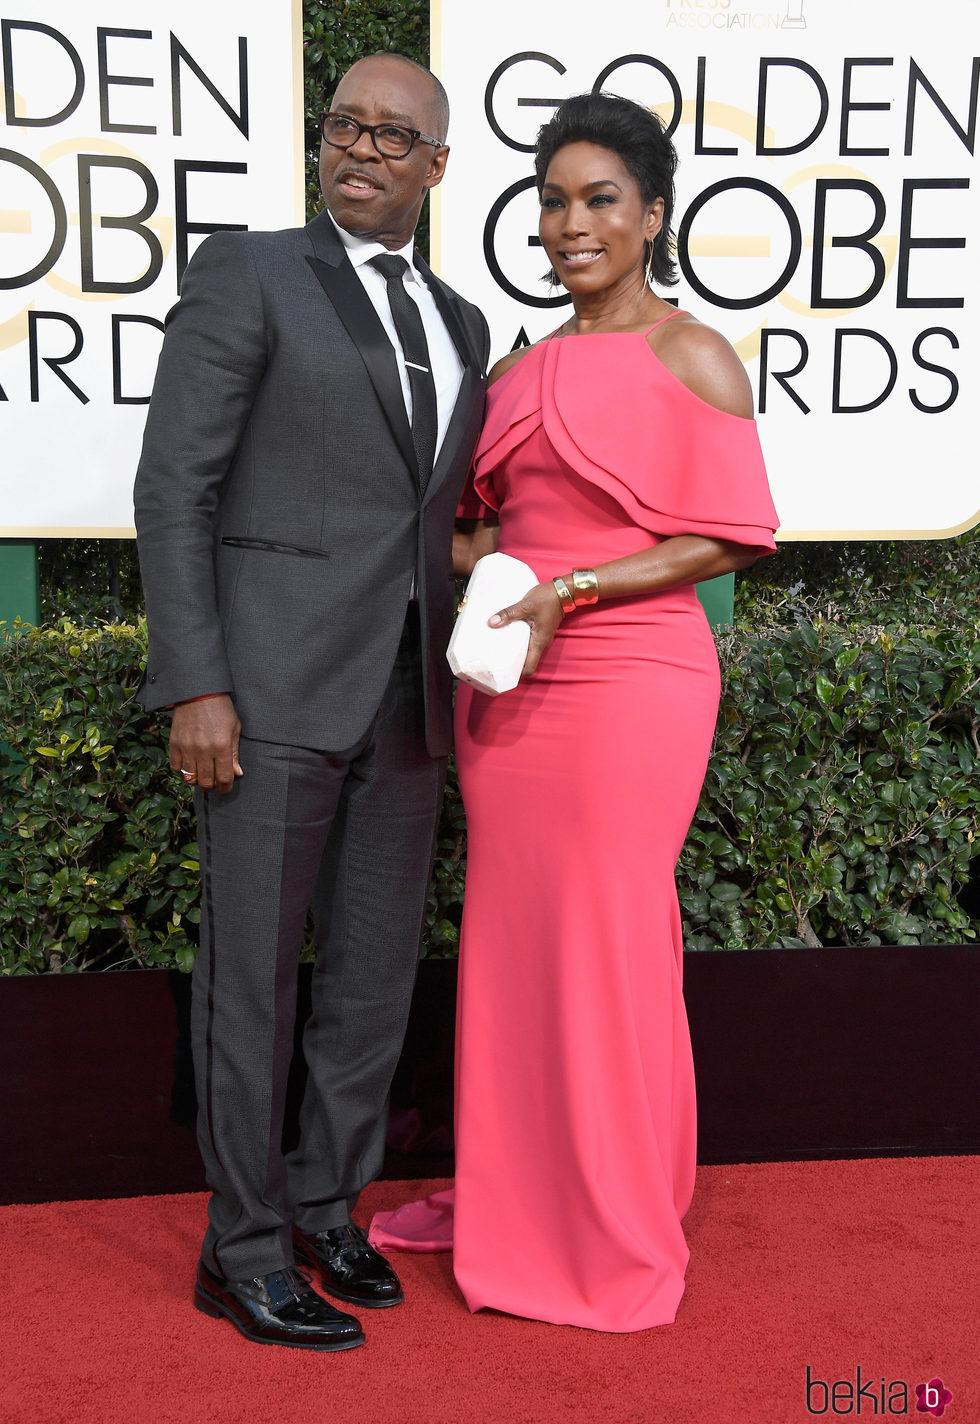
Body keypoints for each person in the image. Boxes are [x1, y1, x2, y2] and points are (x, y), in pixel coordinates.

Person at [372, 92, 778, 1332]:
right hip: (514, 681)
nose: (570, 222)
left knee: (605, 939)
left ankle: (605, 1217)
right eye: (553, 199)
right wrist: (477, 565)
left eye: (599, 198)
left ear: (652, 214)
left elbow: (728, 535)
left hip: (632, 681)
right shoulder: (515, 369)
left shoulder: (694, 355)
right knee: (514, 941)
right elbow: (486, 517)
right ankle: (517, 1190)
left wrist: (575, 585)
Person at [133, 53, 489, 1352]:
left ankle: (327, 1208)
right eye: (346, 125)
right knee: (252, 987)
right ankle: (240, 1250)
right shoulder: (249, 272)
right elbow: (177, 488)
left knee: (373, 986)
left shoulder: (462, 324)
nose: (364, 149)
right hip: (266, 693)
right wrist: (198, 681)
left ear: (438, 167)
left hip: (408, 700)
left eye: (397, 136)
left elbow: (429, 517)